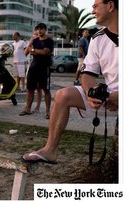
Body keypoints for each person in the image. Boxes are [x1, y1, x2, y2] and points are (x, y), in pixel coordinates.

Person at [22, 0, 118, 164]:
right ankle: (50, 150)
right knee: (62, 95)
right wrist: (90, 94)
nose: (92, 10)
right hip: (108, 97)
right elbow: (87, 75)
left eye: (95, 6)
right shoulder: (97, 39)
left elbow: (44, 52)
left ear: (110, 6)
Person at [19, 23, 54, 119]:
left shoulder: (49, 41)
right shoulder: (35, 40)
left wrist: (33, 50)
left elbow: (46, 52)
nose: (39, 31)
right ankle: (27, 108)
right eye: (38, 29)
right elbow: (25, 53)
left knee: (46, 89)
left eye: (41, 29)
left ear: (45, 30)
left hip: (44, 68)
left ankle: (47, 111)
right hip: (33, 67)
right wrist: (31, 41)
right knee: (30, 88)